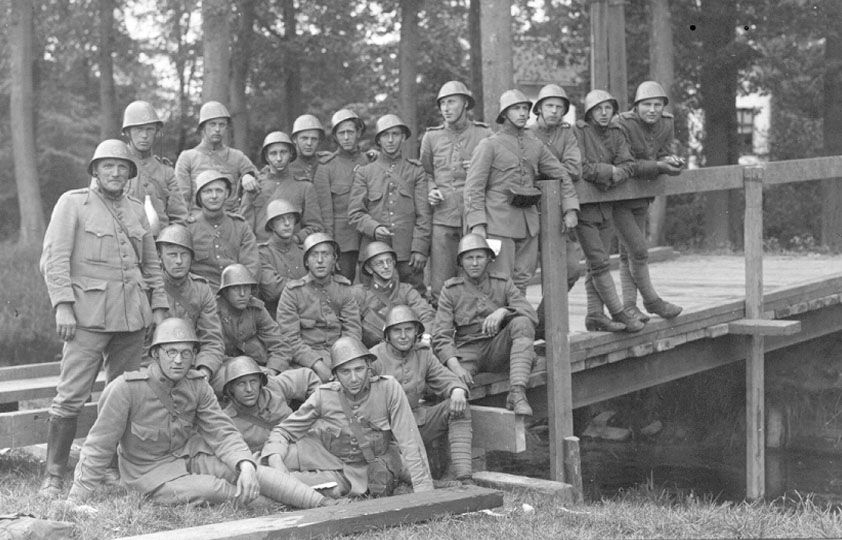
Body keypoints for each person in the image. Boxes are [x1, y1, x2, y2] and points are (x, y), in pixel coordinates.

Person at [63, 318, 328, 509]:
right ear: (155, 354)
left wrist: (244, 464)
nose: (178, 360)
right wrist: (77, 496)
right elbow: (99, 445)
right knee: (212, 488)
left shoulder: (197, 384)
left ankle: (321, 503)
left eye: (186, 353)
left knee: (247, 471)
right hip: (148, 472)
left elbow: (221, 430)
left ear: (194, 355)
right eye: (171, 352)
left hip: (188, 455)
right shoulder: (126, 389)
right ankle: (277, 505)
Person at [39, 139, 168, 497]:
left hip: (131, 318)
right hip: (86, 316)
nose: (115, 172)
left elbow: (151, 263)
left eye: (122, 167)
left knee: (122, 394)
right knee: (70, 396)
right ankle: (54, 474)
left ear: (130, 173)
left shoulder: (135, 209)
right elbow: (55, 259)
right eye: (107, 166)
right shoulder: (73, 203)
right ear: (95, 170)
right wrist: (62, 304)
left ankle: (108, 466)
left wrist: (158, 307)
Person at [262, 336, 434, 498]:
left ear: (369, 367)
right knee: (265, 468)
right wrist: (275, 458)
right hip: (328, 457)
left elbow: (410, 440)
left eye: (359, 369)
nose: (353, 378)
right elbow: (284, 430)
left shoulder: (388, 388)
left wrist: (424, 491)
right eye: (345, 372)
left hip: (367, 467)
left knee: (320, 488)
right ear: (335, 374)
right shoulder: (324, 395)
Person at [464, 89, 580, 293]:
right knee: (499, 281)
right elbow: (474, 187)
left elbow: (561, 175)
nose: (522, 113)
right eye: (516, 109)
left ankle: (519, 323)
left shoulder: (535, 145)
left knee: (523, 279)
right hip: (498, 223)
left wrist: (570, 209)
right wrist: (478, 224)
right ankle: (500, 324)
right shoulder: (489, 145)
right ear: (504, 114)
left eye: (525, 108)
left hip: (528, 224)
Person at [433, 234, 538, 416]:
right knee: (454, 387)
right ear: (461, 262)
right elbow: (441, 335)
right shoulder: (451, 290)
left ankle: (517, 394)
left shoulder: (502, 283)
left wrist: (504, 311)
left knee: (522, 322)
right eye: (469, 258)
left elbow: (531, 314)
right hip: (467, 350)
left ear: (489, 259)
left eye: (479, 257)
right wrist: (455, 367)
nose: (474, 263)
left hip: (497, 346)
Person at [371, 305, 472, 484]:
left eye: (408, 329)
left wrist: (457, 389)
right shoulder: (374, 358)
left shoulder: (423, 354)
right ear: (387, 334)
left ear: (416, 331)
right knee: (407, 476)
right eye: (397, 331)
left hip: (416, 423)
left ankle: (463, 476)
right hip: (387, 434)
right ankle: (437, 485)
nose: (403, 336)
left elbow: (444, 377)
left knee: (457, 405)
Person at [572, 89, 644, 333]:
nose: (603, 113)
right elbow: (580, 167)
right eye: (598, 109)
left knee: (597, 263)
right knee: (600, 262)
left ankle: (594, 314)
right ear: (589, 112)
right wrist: (608, 171)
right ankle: (618, 311)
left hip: (606, 206)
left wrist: (615, 174)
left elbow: (629, 164)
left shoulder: (616, 133)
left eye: (608, 108)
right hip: (584, 208)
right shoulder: (579, 132)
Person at [614, 81, 684, 321]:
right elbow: (626, 163)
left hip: (642, 195)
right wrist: (658, 166)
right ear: (636, 106)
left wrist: (671, 160)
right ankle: (652, 301)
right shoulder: (622, 123)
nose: (652, 110)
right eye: (646, 105)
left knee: (628, 255)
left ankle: (629, 307)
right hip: (618, 196)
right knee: (639, 251)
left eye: (657, 104)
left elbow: (663, 150)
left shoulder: (667, 122)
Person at [420, 81, 492, 303]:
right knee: (441, 284)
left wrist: (481, 169)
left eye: (451, 102)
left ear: (465, 104)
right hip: (443, 218)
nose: (446, 108)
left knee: (478, 278)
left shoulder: (484, 134)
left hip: (475, 218)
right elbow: (425, 173)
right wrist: (431, 189)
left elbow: (498, 176)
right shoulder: (431, 137)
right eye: (442, 103)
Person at [348, 114, 432, 295]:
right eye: (386, 135)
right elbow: (355, 214)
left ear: (403, 137)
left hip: (407, 255)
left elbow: (423, 215)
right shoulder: (365, 173)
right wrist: (374, 228)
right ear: (378, 140)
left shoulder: (415, 171)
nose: (391, 140)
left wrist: (419, 248)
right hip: (373, 254)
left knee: (415, 302)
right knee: (373, 305)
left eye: (396, 134)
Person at [275, 233, 361, 382]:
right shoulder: (292, 293)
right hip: (306, 361)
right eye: (314, 255)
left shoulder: (344, 289)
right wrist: (317, 364)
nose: (320, 260)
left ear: (334, 260)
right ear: (307, 262)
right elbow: (289, 338)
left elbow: (352, 330)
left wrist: (343, 360)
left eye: (325, 255)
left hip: (341, 356)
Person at [154, 224, 225, 380]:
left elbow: (212, 339)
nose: (179, 261)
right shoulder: (150, 288)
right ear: (160, 256)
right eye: (172, 255)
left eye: (184, 254)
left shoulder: (201, 289)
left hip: (193, 365)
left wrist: (205, 369)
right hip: (158, 369)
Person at [313, 109, 369, 281]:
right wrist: (330, 247)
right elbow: (325, 213)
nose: (346, 137)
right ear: (335, 136)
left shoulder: (369, 161)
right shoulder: (326, 168)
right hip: (342, 243)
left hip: (368, 238)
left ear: (358, 133)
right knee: (343, 287)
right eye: (341, 133)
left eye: (350, 132)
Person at [219, 356, 320, 453]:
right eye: (241, 384)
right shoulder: (226, 422)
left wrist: (313, 415)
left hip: (306, 442)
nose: (249, 389)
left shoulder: (273, 387)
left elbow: (307, 377)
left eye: (253, 381)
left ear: (260, 382)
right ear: (231, 388)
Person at [214, 264, 288, 393]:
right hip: (226, 369)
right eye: (236, 288)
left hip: (261, 367)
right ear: (225, 291)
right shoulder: (214, 313)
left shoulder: (256, 308)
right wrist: (251, 370)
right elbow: (213, 353)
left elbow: (278, 343)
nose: (242, 294)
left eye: (246, 288)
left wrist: (272, 369)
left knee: (288, 383)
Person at [174, 101, 257, 214]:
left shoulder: (237, 157)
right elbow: (182, 199)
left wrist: (248, 176)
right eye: (212, 124)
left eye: (222, 125)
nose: (217, 129)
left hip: (230, 221)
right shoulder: (187, 157)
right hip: (198, 221)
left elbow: (259, 180)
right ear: (203, 127)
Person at [239, 131, 323, 243]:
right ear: (267, 157)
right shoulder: (255, 185)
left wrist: (296, 238)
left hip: (292, 251)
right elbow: (244, 226)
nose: (279, 158)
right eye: (273, 153)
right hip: (261, 251)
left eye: (283, 152)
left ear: (291, 154)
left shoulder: (305, 187)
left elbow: (315, 227)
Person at [121, 100, 189, 231]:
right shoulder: (116, 166)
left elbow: (179, 218)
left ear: (156, 132)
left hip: (159, 244)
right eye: (139, 129)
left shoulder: (166, 172)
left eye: (149, 129)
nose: (144, 135)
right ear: (127, 132)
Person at [351, 241, 434, 349]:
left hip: (407, 349)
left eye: (389, 261)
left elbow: (426, 314)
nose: (386, 266)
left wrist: (426, 337)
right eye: (380, 263)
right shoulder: (359, 293)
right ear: (369, 269)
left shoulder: (406, 290)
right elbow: (351, 325)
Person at [186, 169, 259, 290]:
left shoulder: (240, 226)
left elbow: (252, 266)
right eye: (207, 191)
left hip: (237, 293)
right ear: (199, 196)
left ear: (226, 194)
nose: (214, 196)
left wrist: (240, 292)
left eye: (219, 191)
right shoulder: (188, 228)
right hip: (202, 295)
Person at [257, 199, 307, 315]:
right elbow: (272, 291)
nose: (287, 223)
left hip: (306, 315)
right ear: (271, 225)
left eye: (290, 218)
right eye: (280, 219)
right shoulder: (262, 253)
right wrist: (308, 284)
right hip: (276, 317)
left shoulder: (304, 251)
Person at [289, 114, 327, 182]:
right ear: (295, 139)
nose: (309, 143)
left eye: (314, 139)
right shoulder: (285, 166)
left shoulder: (326, 162)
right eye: (304, 138)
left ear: (319, 140)